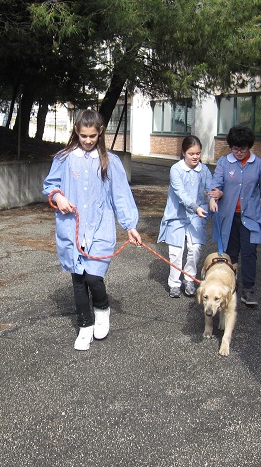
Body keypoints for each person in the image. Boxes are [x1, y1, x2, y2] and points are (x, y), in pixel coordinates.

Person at [43, 109, 142, 351]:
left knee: (93, 277)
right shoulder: (64, 158)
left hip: (100, 227)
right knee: (78, 279)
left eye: (93, 137)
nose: (88, 141)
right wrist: (58, 197)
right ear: (76, 132)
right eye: (84, 136)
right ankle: (85, 326)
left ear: (100, 134)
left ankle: (102, 308)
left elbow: (121, 195)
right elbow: (50, 186)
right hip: (72, 228)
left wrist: (130, 226)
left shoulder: (111, 161)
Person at [208, 125, 261, 307]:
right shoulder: (224, 162)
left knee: (249, 252)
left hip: (251, 217)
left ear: (249, 147)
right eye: (235, 148)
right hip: (228, 217)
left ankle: (249, 289)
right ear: (230, 147)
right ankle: (229, 285)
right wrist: (215, 196)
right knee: (230, 254)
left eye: (243, 149)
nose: (238, 152)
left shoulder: (259, 165)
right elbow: (216, 184)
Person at [157, 135, 217, 298]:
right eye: (191, 153)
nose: (195, 157)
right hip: (177, 214)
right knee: (176, 250)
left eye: (198, 153)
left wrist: (212, 199)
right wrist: (196, 207)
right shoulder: (176, 169)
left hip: (196, 216)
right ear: (183, 153)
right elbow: (181, 194)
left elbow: (210, 187)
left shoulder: (203, 170)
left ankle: (189, 279)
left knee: (195, 248)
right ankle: (174, 283)